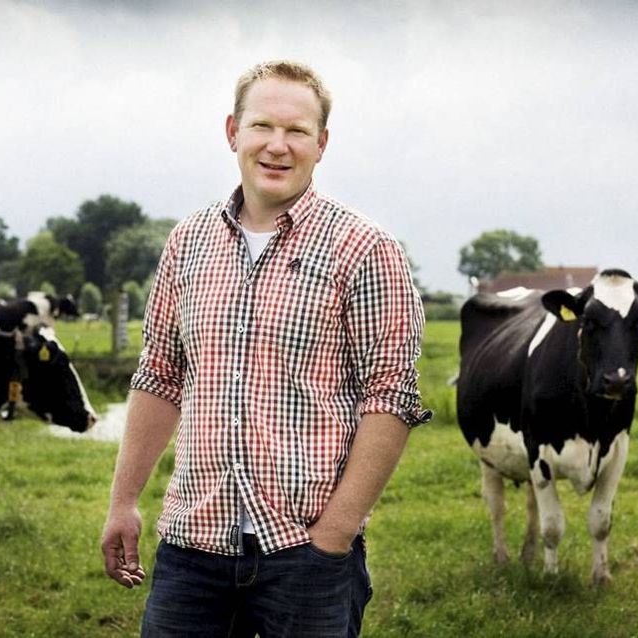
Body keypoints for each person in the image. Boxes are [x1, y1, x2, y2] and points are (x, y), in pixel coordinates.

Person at [101, 60, 431, 637]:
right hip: (192, 550)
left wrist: (335, 534)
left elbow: (391, 398)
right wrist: (123, 501)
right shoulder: (189, 242)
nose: (277, 146)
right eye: (262, 127)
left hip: (305, 552)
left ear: (321, 144)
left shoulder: (365, 248)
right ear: (233, 132)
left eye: (297, 131)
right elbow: (159, 375)